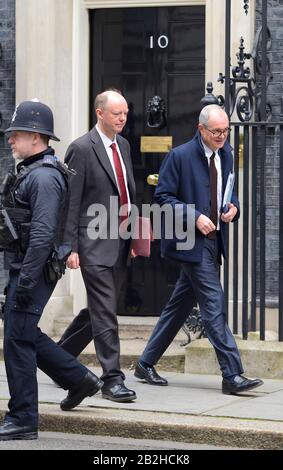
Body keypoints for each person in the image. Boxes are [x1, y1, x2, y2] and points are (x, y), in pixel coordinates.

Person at [134, 104, 264, 395]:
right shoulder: (179, 156)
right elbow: (163, 198)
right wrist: (194, 216)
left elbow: (228, 191)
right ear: (201, 129)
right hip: (188, 242)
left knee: (179, 306)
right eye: (217, 131)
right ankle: (232, 375)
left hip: (212, 241)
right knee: (214, 304)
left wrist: (234, 208)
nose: (222, 136)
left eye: (226, 131)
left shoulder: (227, 154)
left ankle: (145, 362)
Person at [0, 100, 103, 441]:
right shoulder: (31, 171)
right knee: (24, 332)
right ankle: (80, 380)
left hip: (35, 271)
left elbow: (43, 235)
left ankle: (24, 418)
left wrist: (26, 282)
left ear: (34, 136)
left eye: (15, 134)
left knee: (16, 340)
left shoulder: (44, 177)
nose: (10, 140)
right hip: (27, 269)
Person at [60, 90, 137, 403]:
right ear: (99, 113)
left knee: (97, 311)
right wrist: (70, 247)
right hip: (92, 243)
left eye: (125, 113)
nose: (123, 118)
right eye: (117, 113)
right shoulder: (81, 148)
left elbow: (127, 194)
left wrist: (133, 236)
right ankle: (112, 380)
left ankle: (58, 358)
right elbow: (71, 201)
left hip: (120, 240)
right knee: (106, 313)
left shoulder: (125, 146)